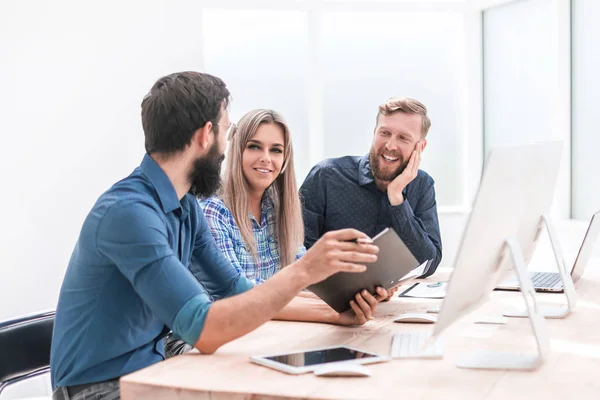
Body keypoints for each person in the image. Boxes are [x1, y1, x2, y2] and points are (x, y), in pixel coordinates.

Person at [50, 72, 388, 400]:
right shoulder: (129, 213)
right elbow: (203, 330)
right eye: (228, 131)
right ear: (205, 135)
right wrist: (304, 271)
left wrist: (334, 313)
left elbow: (238, 292)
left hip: (154, 368)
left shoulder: (184, 206)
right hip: (100, 389)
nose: (227, 146)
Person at [300, 97, 442, 278]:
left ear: (419, 147)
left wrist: (397, 198)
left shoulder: (422, 185)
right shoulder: (325, 176)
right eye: (384, 133)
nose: (390, 145)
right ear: (375, 132)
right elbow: (300, 255)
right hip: (330, 300)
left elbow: (429, 264)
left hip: (393, 301)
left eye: (403, 138)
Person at [199, 109, 305, 284]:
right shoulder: (213, 210)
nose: (266, 158)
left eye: (276, 150)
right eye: (254, 147)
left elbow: (304, 274)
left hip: (286, 311)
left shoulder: (278, 207)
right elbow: (236, 292)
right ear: (237, 150)